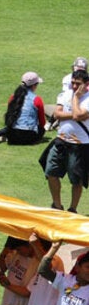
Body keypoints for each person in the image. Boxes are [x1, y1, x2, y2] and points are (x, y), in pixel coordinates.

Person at [43, 67, 89, 211]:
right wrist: (75, 113)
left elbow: (78, 116)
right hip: (61, 140)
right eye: (73, 83)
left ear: (86, 84)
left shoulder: (86, 99)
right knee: (51, 172)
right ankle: (57, 205)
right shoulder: (65, 94)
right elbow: (57, 114)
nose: (74, 86)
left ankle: (72, 209)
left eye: (78, 83)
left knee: (76, 180)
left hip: (80, 144)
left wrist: (75, 99)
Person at [0, 71, 46, 145]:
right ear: (34, 86)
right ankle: (3, 134)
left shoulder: (13, 97)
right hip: (29, 137)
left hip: (12, 136)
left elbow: (10, 115)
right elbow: (42, 122)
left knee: (12, 126)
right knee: (42, 129)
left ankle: (1, 133)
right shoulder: (37, 99)